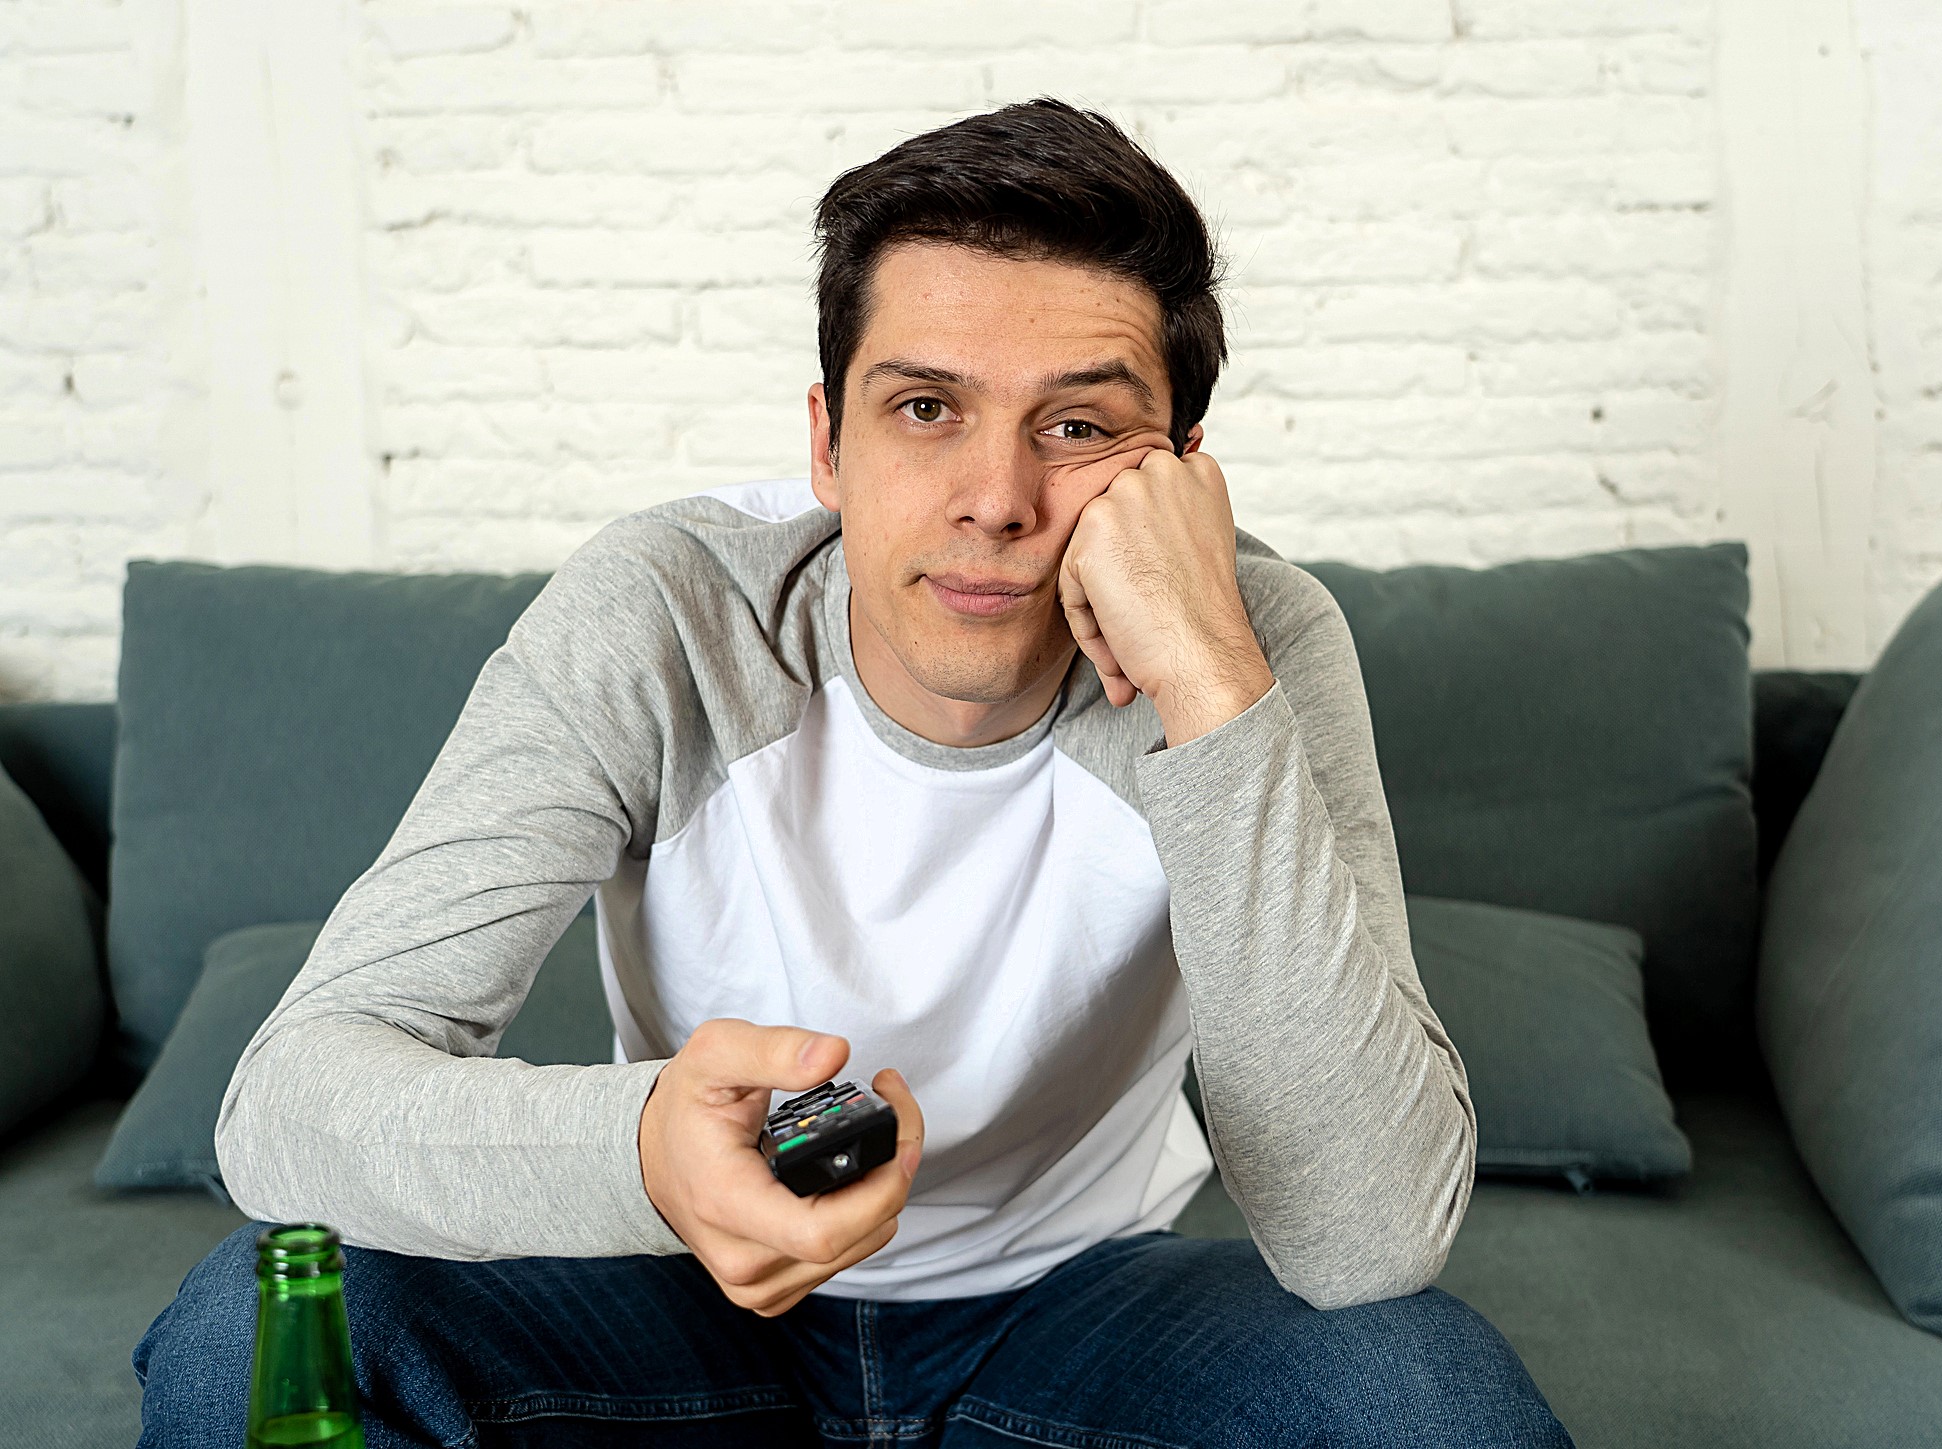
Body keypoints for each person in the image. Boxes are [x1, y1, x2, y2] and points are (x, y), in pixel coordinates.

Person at [135, 99, 1574, 1447]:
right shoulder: (665, 613)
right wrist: (645, 1153)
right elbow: (289, 1102)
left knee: (1427, 1393)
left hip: (1077, 1309)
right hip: (683, 1295)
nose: (998, 500)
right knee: (246, 1330)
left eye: (1078, 426)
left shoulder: (1252, 645)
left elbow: (1367, 1238)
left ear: (1185, 473)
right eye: (926, 409)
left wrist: (1209, 678)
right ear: (828, 440)